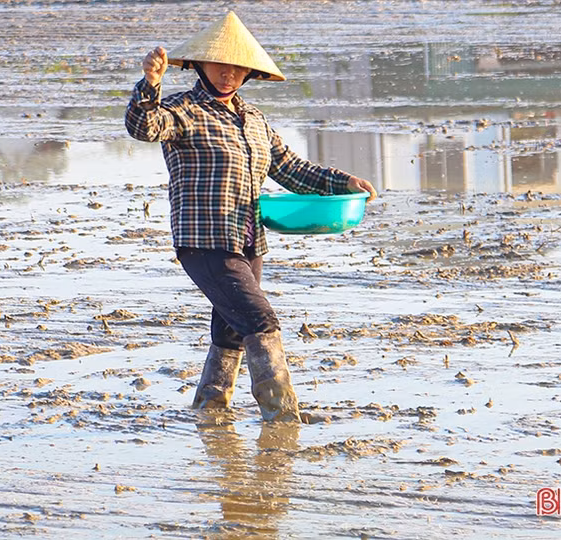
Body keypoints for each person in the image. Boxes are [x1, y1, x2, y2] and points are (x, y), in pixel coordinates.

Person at [125, 11, 376, 423]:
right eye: (220, 65)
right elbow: (144, 126)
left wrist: (343, 182)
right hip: (204, 242)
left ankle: (210, 411)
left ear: (249, 72)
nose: (229, 74)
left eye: (238, 67)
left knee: (231, 329)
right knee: (261, 321)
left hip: (248, 241)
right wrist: (150, 83)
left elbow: (290, 168)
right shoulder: (182, 110)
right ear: (200, 65)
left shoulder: (253, 119)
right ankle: (283, 418)